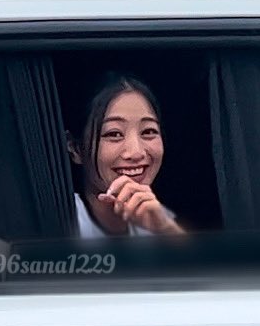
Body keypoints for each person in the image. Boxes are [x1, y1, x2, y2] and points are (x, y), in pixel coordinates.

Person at [66, 74, 185, 238]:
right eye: (114, 134)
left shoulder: (158, 217)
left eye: (148, 131)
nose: (136, 153)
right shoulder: (58, 221)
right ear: (75, 149)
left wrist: (166, 230)